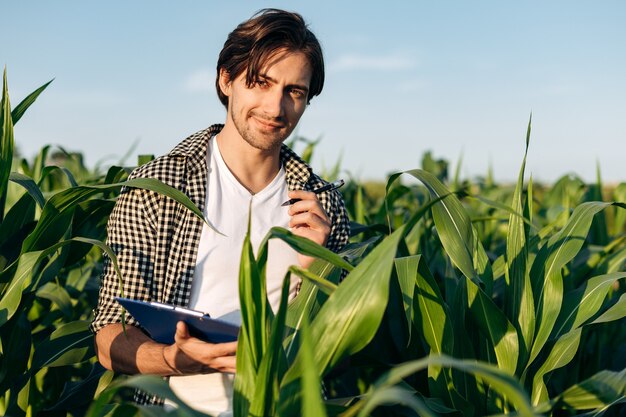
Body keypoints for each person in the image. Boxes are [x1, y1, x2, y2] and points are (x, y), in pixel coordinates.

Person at [90, 8, 350, 415]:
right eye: (260, 83)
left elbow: (336, 338)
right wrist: (176, 361)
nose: (275, 106)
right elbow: (109, 334)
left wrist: (317, 266)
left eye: (294, 91)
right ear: (225, 80)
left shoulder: (322, 204)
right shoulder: (158, 189)